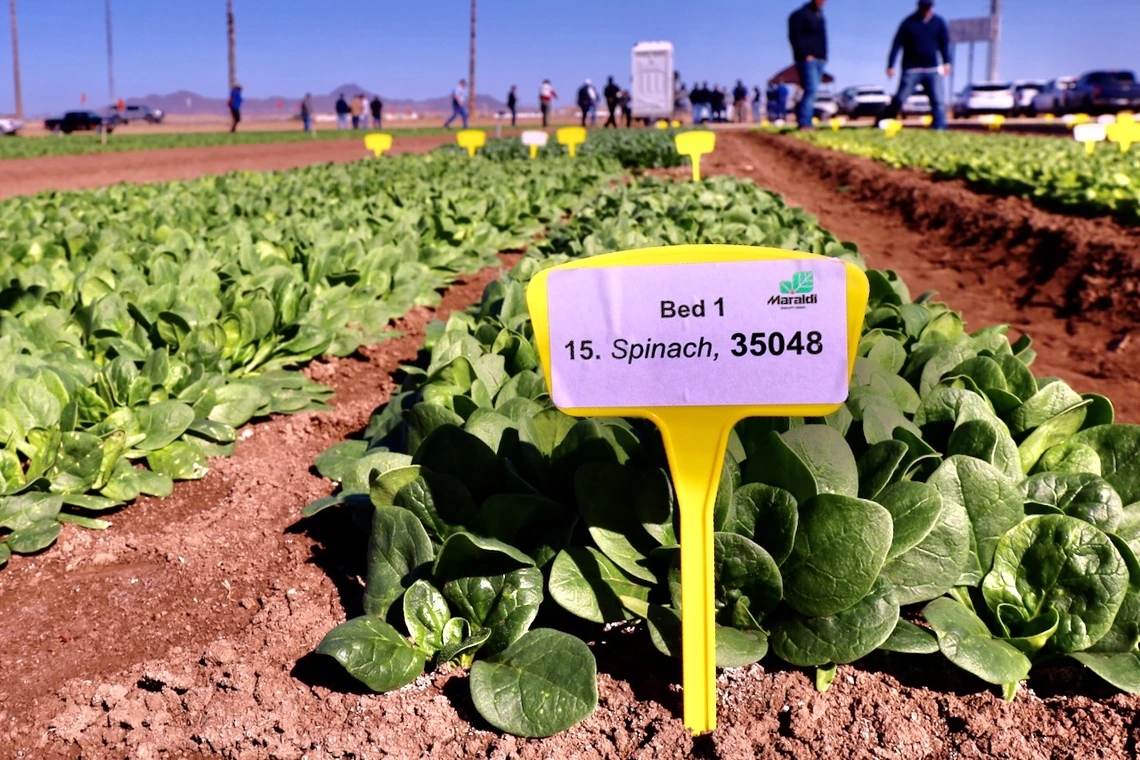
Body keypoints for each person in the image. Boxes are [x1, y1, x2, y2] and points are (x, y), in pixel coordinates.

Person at [878, 0, 952, 130]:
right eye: (923, 7)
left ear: (932, 7)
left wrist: (947, 62)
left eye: (928, 7)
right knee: (900, 99)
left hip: (932, 69)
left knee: (938, 101)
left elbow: (944, 44)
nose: (926, 10)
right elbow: (896, 44)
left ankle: (939, 128)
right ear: (918, 7)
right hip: (911, 69)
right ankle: (883, 122)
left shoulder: (938, 22)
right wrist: (891, 65)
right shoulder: (908, 23)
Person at [788, 0, 827, 129]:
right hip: (807, 60)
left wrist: (824, 57)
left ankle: (807, 121)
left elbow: (823, 38)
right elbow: (794, 36)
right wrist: (804, 55)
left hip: (820, 59)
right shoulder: (799, 15)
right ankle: (804, 123)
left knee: (812, 92)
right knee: (811, 90)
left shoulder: (820, 16)